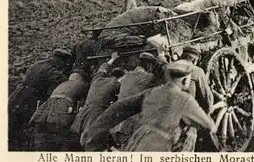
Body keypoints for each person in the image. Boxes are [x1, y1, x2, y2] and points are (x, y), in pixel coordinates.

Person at [81, 61, 217, 151]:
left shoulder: (150, 93)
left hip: (141, 139)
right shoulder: (185, 99)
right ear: (186, 80)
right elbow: (209, 125)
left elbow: (118, 108)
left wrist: (94, 129)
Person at [8, 48, 73, 150]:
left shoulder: (37, 64)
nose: (64, 66)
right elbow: (62, 85)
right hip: (29, 100)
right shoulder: (53, 71)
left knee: (11, 123)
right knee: (23, 126)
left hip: (17, 94)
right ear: (60, 61)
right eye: (64, 63)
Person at [29, 70, 90, 151]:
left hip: (46, 109)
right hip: (61, 109)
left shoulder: (62, 84)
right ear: (81, 79)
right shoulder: (81, 84)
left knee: (43, 134)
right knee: (63, 136)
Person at [71, 52, 125, 141]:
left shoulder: (97, 79)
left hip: (85, 110)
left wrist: (112, 59)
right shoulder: (116, 83)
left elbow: (102, 69)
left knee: (77, 134)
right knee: (91, 136)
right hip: (97, 112)